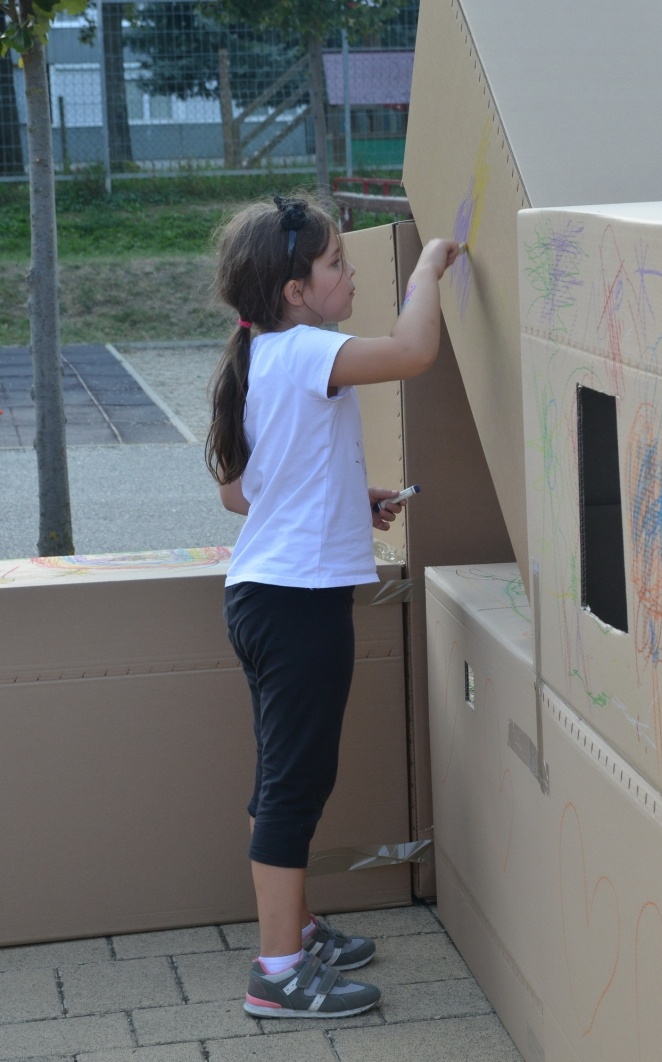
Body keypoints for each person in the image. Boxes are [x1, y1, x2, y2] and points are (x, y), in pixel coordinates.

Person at [205, 193, 460, 1020]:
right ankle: (277, 972)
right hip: (298, 607)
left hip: (264, 598)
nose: (350, 276)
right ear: (295, 292)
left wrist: (350, 498)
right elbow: (414, 351)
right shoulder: (307, 348)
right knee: (295, 784)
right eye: (337, 265)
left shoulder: (260, 357)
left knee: (285, 773)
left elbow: (241, 493)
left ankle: (299, 929)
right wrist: (427, 268)